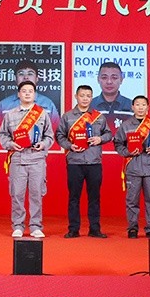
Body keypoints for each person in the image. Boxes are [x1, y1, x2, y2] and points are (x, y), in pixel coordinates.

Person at [0, 81, 54, 238]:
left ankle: (36, 226)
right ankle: (18, 225)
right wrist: (11, 144)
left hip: (37, 159)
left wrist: (43, 144)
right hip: (18, 159)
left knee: (36, 194)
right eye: (24, 91)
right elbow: (2, 135)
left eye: (30, 91)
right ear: (19, 94)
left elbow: (49, 135)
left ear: (35, 94)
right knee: (17, 194)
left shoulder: (42, 114)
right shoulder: (10, 114)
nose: (27, 93)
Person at [56, 85, 112, 238]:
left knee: (94, 197)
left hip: (94, 161)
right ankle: (73, 229)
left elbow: (109, 134)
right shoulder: (68, 116)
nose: (85, 98)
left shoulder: (98, 117)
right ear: (76, 96)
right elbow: (59, 135)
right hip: (75, 161)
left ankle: (95, 229)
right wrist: (69, 145)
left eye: (88, 96)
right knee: (74, 197)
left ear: (92, 97)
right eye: (82, 95)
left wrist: (100, 139)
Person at [114, 95, 150, 239]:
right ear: (133, 107)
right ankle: (132, 228)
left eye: (143, 105)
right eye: (137, 104)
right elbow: (117, 143)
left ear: (148, 107)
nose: (140, 107)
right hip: (133, 167)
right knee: (132, 200)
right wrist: (127, 152)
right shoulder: (126, 125)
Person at [0, 59, 60, 135]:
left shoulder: (48, 104)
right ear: (15, 78)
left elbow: (55, 132)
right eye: (21, 74)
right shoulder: (4, 105)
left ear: (37, 78)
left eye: (30, 74)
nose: (26, 77)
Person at [90, 62, 133, 131]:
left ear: (121, 80)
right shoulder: (90, 106)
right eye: (104, 77)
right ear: (98, 79)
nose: (109, 82)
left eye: (114, 78)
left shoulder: (132, 106)